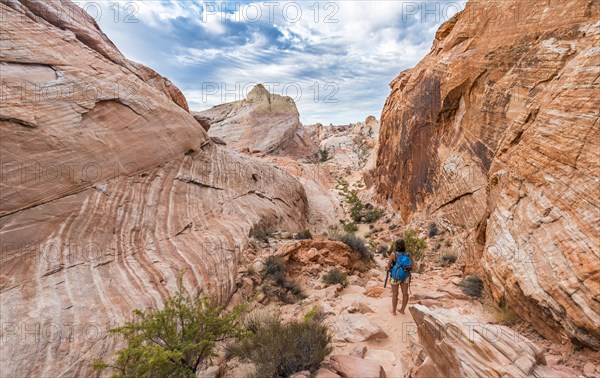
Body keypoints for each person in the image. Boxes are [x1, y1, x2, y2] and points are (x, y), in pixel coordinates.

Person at [387, 239, 413, 315]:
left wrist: (390, 270)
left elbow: (388, 267)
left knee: (395, 294)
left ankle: (394, 311)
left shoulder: (393, 255)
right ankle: (402, 310)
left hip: (395, 277)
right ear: (404, 245)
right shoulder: (408, 255)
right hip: (405, 276)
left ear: (396, 245)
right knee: (405, 293)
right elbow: (412, 267)